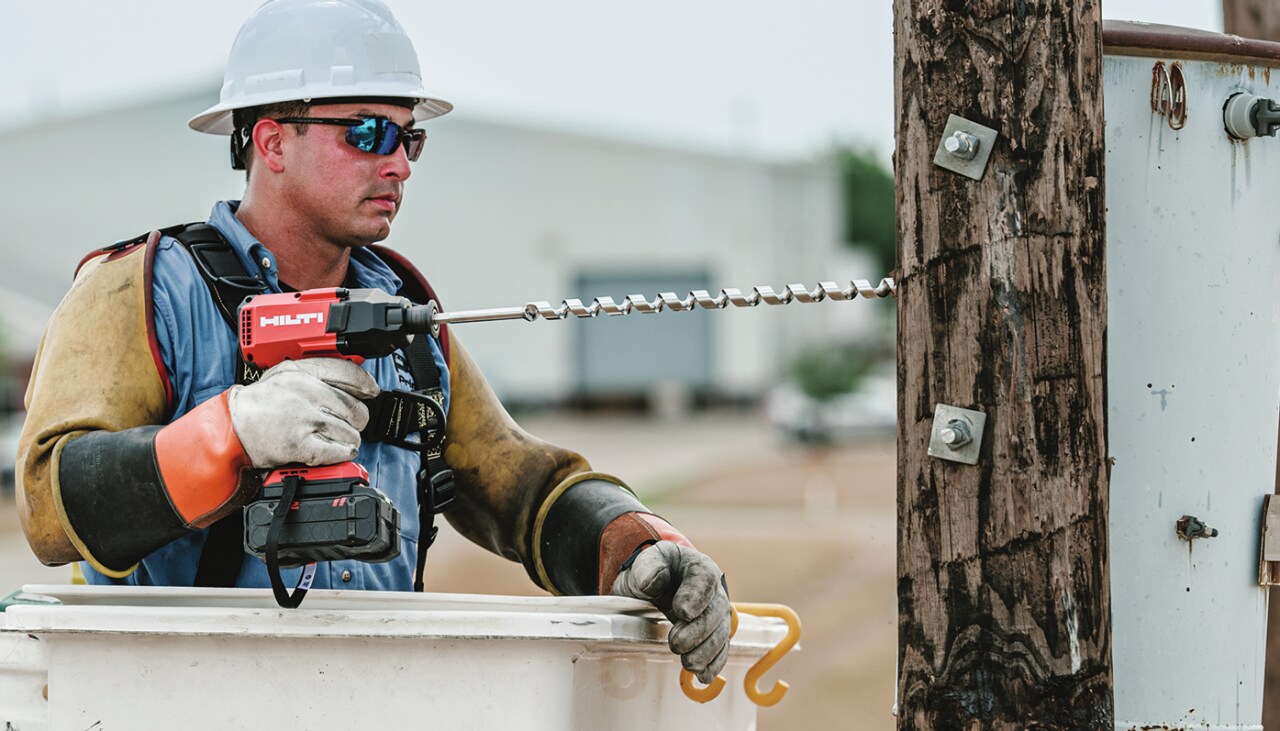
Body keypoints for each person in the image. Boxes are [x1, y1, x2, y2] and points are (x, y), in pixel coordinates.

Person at [16, 0, 731, 683]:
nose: (400, 163)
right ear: (271, 141)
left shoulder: (407, 318)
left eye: (409, 135)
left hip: (375, 696)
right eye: (367, 132)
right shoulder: (139, 293)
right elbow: (48, 505)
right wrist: (229, 434)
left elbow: (524, 490)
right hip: (177, 700)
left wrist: (637, 546)